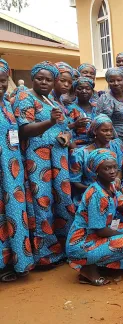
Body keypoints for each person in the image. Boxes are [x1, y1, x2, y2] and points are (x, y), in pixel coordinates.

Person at [14, 61, 75, 266]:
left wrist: (66, 135)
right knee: (43, 201)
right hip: (38, 160)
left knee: (62, 200)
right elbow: (24, 130)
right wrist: (49, 122)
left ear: (54, 82)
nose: (44, 82)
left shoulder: (51, 101)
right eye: (40, 78)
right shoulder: (25, 97)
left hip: (58, 158)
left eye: (48, 79)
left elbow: (64, 126)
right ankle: (46, 254)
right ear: (32, 78)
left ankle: (65, 246)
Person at [66, 149, 123, 286]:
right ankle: (88, 268)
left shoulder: (110, 186)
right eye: (107, 168)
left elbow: (121, 207)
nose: (112, 171)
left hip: (95, 237)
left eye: (114, 167)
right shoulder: (97, 194)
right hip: (82, 244)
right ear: (97, 170)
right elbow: (100, 231)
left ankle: (99, 265)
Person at [0, 59, 34, 281]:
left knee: (11, 214)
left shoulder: (7, 104)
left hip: (11, 172)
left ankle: (12, 262)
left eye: (2, 80)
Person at [70, 114, 123, 205]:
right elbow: (76, 182)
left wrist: (117, 179)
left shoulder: (115, 146)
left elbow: (119, 170)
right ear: (95, 131)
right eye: (104, 130)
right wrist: (97, 189)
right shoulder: (80, 154)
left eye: (111, 130)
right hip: (89, 192)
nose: (109, 134)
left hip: (113, 191)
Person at [96, 68, 123, 142]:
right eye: (111, 81)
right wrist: (116, 140)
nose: (116, 83)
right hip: (114, 140)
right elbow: (103, 122)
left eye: (119, 80)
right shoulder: (105, 99)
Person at [68, 77, 97, 148]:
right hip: (77, 147)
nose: (84, 91)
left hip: (96, 145)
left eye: (87, 89)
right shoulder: (70, 108)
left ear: (92, 92)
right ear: (75, 92)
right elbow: (64, 129)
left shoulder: (96, 107)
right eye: (80, 89)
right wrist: (75, 125)